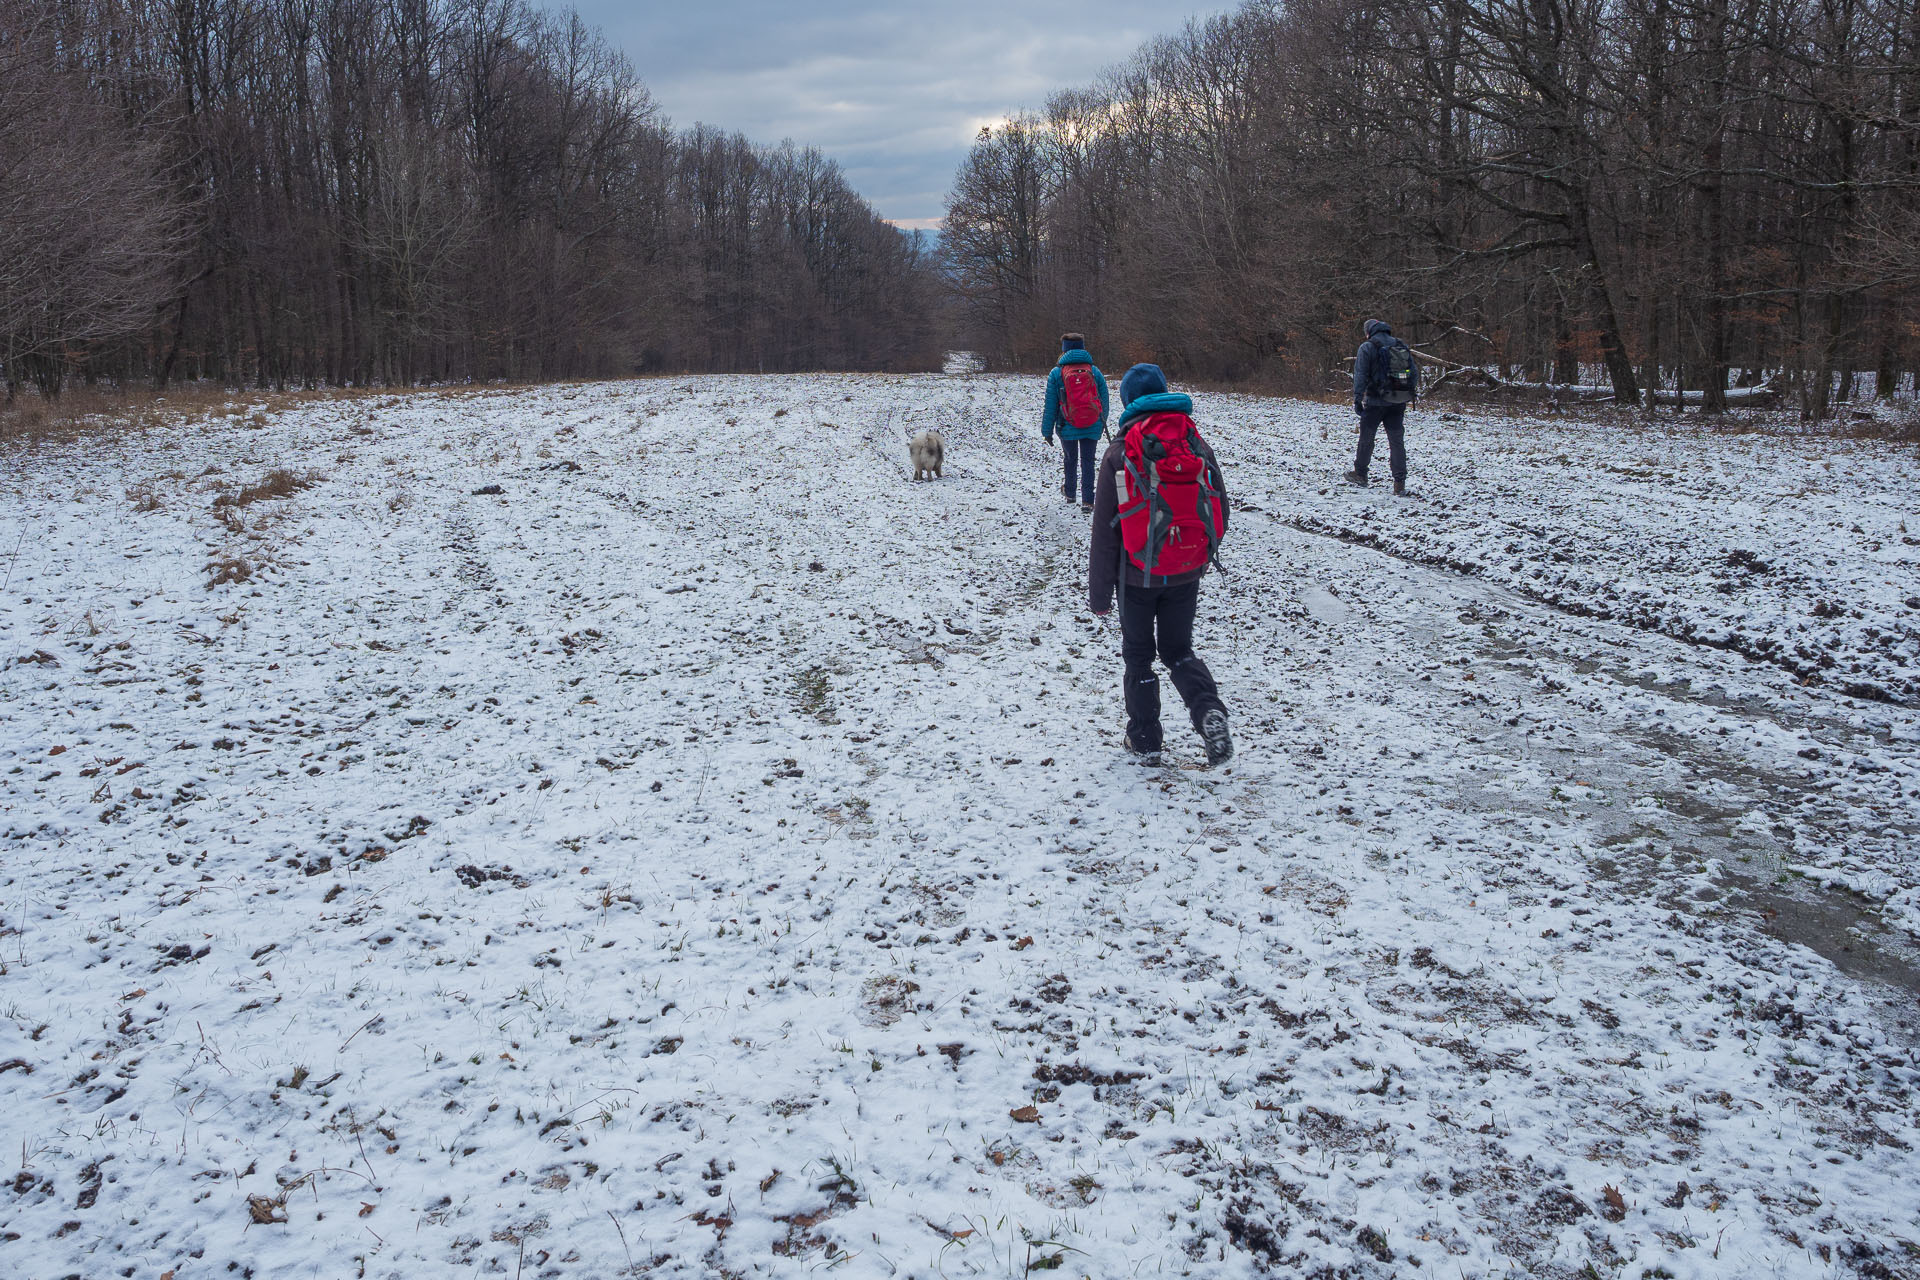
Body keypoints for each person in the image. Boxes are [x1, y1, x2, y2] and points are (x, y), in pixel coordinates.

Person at [1089, 363, 1233, 766]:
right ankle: (1208, 711)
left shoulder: (1119, 453)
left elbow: (1105, 533)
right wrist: (1200, 556)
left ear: (1127, 403)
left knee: (1139, 655)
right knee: (1179, 650)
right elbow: (1220, 507)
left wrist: (1100, 595)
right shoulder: (1195, 443)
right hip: (1185, 569)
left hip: (1136, 576)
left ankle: (1146, 739)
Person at [1346, 318, 1418, 496]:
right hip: (1398, 402)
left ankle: (1361, 474)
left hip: (1375, 402)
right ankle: (1399, 482)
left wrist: (1357, 398)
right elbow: (1414, 373)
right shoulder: (1400, 345)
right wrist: (1404, 392)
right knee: (1396, 442)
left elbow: (1360, 375)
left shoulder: (1367, 347)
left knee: (1366, 438)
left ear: (1368, 331)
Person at [1040, 332, 1110, 511]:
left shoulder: (1056, 373)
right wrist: (1102, 421)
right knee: (1088, 460)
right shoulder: (1094, 371)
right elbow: (1104, 399)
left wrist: (1046, 431)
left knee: (1070, 459)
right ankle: (1088, 500)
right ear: (1083, 347)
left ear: (1064, 350)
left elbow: (1051, 405)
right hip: (1092, 423)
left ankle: (1070, 493)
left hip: (1067, 424)